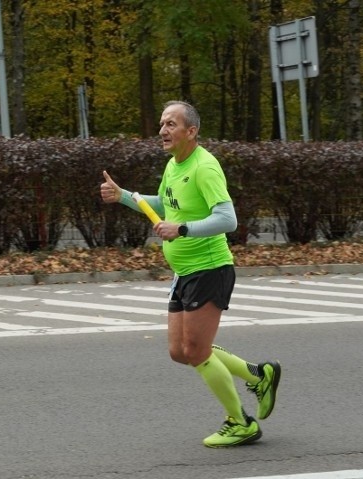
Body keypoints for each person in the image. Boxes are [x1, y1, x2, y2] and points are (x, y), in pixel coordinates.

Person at [100, 100, 281, 448]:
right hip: (183, 272)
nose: (162, 130)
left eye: (171, 124)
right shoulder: (174, 165)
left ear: (191, 131)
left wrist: (182, 230)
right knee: (180, 351)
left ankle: (240, 422)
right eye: (162, 123)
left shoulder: (205, 167)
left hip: (210, 268)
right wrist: (124, 196)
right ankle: (258, 375)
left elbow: (228, 220)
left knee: (197, 351)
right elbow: (165, 206)